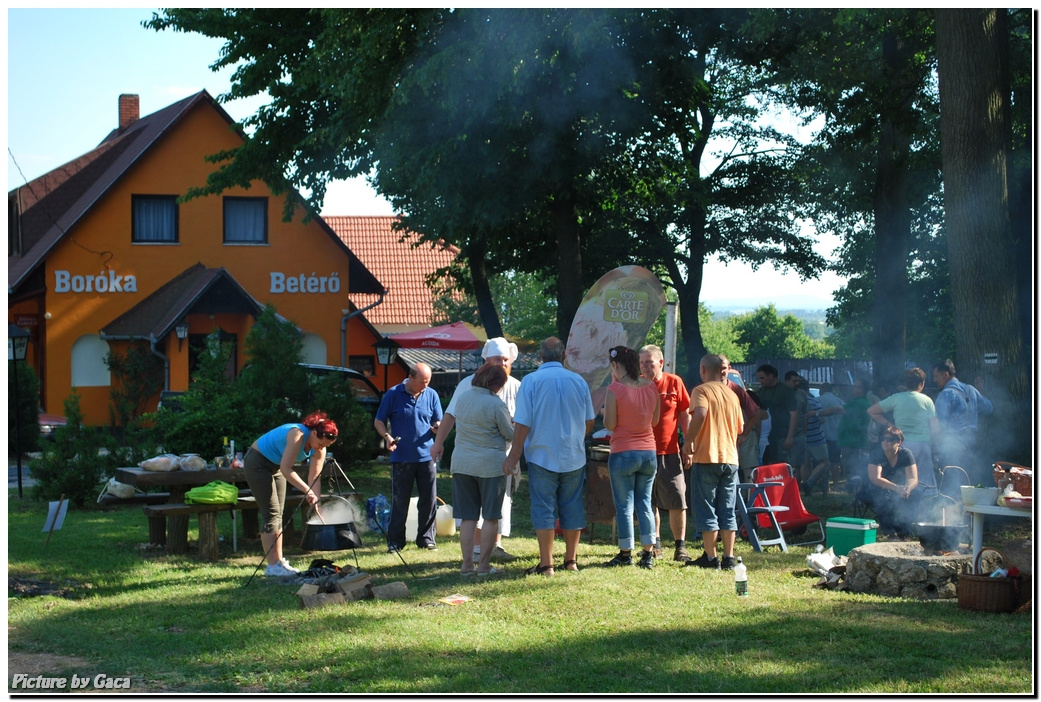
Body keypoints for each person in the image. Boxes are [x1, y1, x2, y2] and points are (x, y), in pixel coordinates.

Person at [504, 337, 595, 576]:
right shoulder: (578, 381)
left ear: (540, 356)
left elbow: (522, 422)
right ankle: (571, 561)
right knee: (573, 505)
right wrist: (576, 437)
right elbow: (590, 421)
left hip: (542, 455)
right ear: (564, 356)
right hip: (573, 455)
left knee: (543, 508)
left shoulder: (531, 381)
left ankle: (546, 564)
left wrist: (513, 456)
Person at [432, 337, 522, 563]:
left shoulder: (516, 385)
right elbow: (450, 416)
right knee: (489, 511)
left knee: (495, 506)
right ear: (485, 361)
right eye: (497, 359)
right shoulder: (469, 387)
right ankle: (480, 555)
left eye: (505, 359)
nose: (502, 363)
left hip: (479, 458)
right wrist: (438, 442)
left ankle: (490, 549)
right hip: (491, 459)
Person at [244, 411, 335, 576]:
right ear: (314, 433)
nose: (322, 448)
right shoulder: (297, 434)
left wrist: (317, 503)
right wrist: (307, 491)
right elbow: (287, 469)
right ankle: (273, 567)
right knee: (271, 513)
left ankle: (279, 562)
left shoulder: (318, 449)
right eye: (321, 444)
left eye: (326, 446)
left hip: (275, 466)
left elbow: (314, 477)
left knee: (278, 513)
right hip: (257, 462)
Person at [447, 364, 514, 576]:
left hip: (462, 463)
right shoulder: (496, 404)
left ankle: (467, 565)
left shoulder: (463, 399)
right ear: (496, 384)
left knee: (468, 518)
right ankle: (484, 566)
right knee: (491, 516)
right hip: (490, 465)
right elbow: (509, 434)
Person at [373, 362, 444, 552]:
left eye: (428, 382)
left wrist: (437, 427)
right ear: (410, 378)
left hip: (426, 457)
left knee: (429, 500)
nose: (425, 386)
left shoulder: (432, 395)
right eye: (422, 382)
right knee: (400, 501)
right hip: (402, 457)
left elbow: (439, 420)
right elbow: (379, 420)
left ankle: (427, 539)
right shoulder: (393, 394)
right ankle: (396, 541)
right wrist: (387, 437)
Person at [682, 354, 744, 571]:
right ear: (722, 371)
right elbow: (740, 428)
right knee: (727, 509)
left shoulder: (701, 390)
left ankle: (710, 557)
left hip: (707, 456)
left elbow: (699, 414)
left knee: (706, 507)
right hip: (731, 459)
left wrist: (688, 442)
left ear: (702, 369)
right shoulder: (732, 395)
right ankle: (728, 557)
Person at [603, 346, 661, 569]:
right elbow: (654, 421)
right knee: (645, 503)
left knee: (624, 505)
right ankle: (648, 553)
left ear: (616, 365)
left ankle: (626, 553)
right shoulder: (651, 387)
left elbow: (610, 424)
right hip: (648, 452)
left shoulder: (614, 389)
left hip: (623, 452)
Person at [638, 344, 691, 562]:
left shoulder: (674, 382)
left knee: (677, 498)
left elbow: (685, 414)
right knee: (649, 501)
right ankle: (656, 544)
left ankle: (680, 547)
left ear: (661, 362)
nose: (645, 367)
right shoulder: (637, 385)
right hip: (643, 451)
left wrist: (688, 445)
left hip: (670, 451)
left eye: (649, 362)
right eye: (641, 363)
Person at [867, 367, 938, 496]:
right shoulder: (927, 401)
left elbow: (871, 411)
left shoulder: (896, 398)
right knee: (925, 481)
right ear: (921, 384)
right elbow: (935, 428)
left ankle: (902, 504)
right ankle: (928, 508)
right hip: (922, 444)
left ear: (906, 384)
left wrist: (890, 425)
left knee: (904, 478)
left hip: (901, 444)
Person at [932, 359, 994, 485]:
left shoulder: (945, 394)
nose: (934, 380)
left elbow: (941, 425)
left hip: (953, 445)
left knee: (952, 481)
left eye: (936, 376)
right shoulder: (971, 390)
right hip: (972, 443)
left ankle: (953, 504)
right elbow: (989, 408)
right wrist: (980, 393)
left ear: (945, 375)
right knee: (969, 479)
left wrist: (934, 447)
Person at [864, 426, 920, 535]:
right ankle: (890, 531)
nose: (885, 442)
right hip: (875, 487)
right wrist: (896, 488)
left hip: (899, 487)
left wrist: (907, 489)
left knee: (915, 494)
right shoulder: (876, 453)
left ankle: (905, 531)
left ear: (899, 442)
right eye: (883, 439)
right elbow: (876, 478)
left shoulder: (906, 454)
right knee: (883, 497)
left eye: (890, 439)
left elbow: (913, 478)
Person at [719, 355, 765, 482]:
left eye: (724, 368)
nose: (721, 371)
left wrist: (745, 434)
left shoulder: (736, 389)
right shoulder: (704, 388)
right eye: (718, 368)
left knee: (748, 469)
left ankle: (750, 500)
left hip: (742, 434)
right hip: (721, 436)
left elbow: (756, 412)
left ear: (729, 368)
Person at [755, 364, 798, 466]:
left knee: (781, 465)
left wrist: (790, 436)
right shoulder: (761, 391)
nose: (760, 381)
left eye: (762, 378)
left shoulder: (786, 391)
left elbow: (794, 414)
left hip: (781, 436)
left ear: (771, 376)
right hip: (765, 438)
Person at [801, 390, 831, 495]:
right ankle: (809, 483)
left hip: (802, 438)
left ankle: (805, 486)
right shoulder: (814, 402)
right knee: (824, 461)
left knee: (805, 464)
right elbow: (822, 420)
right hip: (816, 438)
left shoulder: (796, 401)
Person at [816, 382, 845, 481]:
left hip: (820, 437)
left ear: (822, 390)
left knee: (821, 462)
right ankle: (836, 484)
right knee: (834, 462)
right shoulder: (840, 401)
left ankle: (823, 483)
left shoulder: (817, 400)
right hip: (835, 436)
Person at [785, 371, 809, 480]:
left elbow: (806, 414)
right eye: (794, 381)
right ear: (787, 381)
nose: (797, 383)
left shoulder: (802, 394)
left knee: (796, 466)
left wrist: (804, 432)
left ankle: (796, 492)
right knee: (783, 466)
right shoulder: (781, 393)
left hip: (798, 435)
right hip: (782, 435)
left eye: (797, 381)